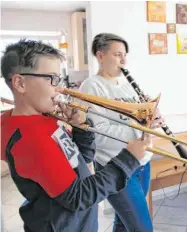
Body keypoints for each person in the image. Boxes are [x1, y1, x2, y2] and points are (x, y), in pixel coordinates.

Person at [0, 39, 151, 232]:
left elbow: (80, 159)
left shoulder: (44, 120)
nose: (59, 88)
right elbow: (78, 197)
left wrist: (81, 128)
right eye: (51, 79)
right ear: (20, 83)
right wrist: (128, 159)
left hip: (78, 222)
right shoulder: (31, 138)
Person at [79, 33, 163, 232]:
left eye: (125, 55)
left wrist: (152, 117)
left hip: (142, 162)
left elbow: (138, 119)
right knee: (142, 228)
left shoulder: (128, 86)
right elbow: (98, 135)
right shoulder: (91, 87)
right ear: (100, 56)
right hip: (115, 166)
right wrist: (140, 128)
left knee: (123, 223)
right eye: (118, 55)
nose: (124, 60)